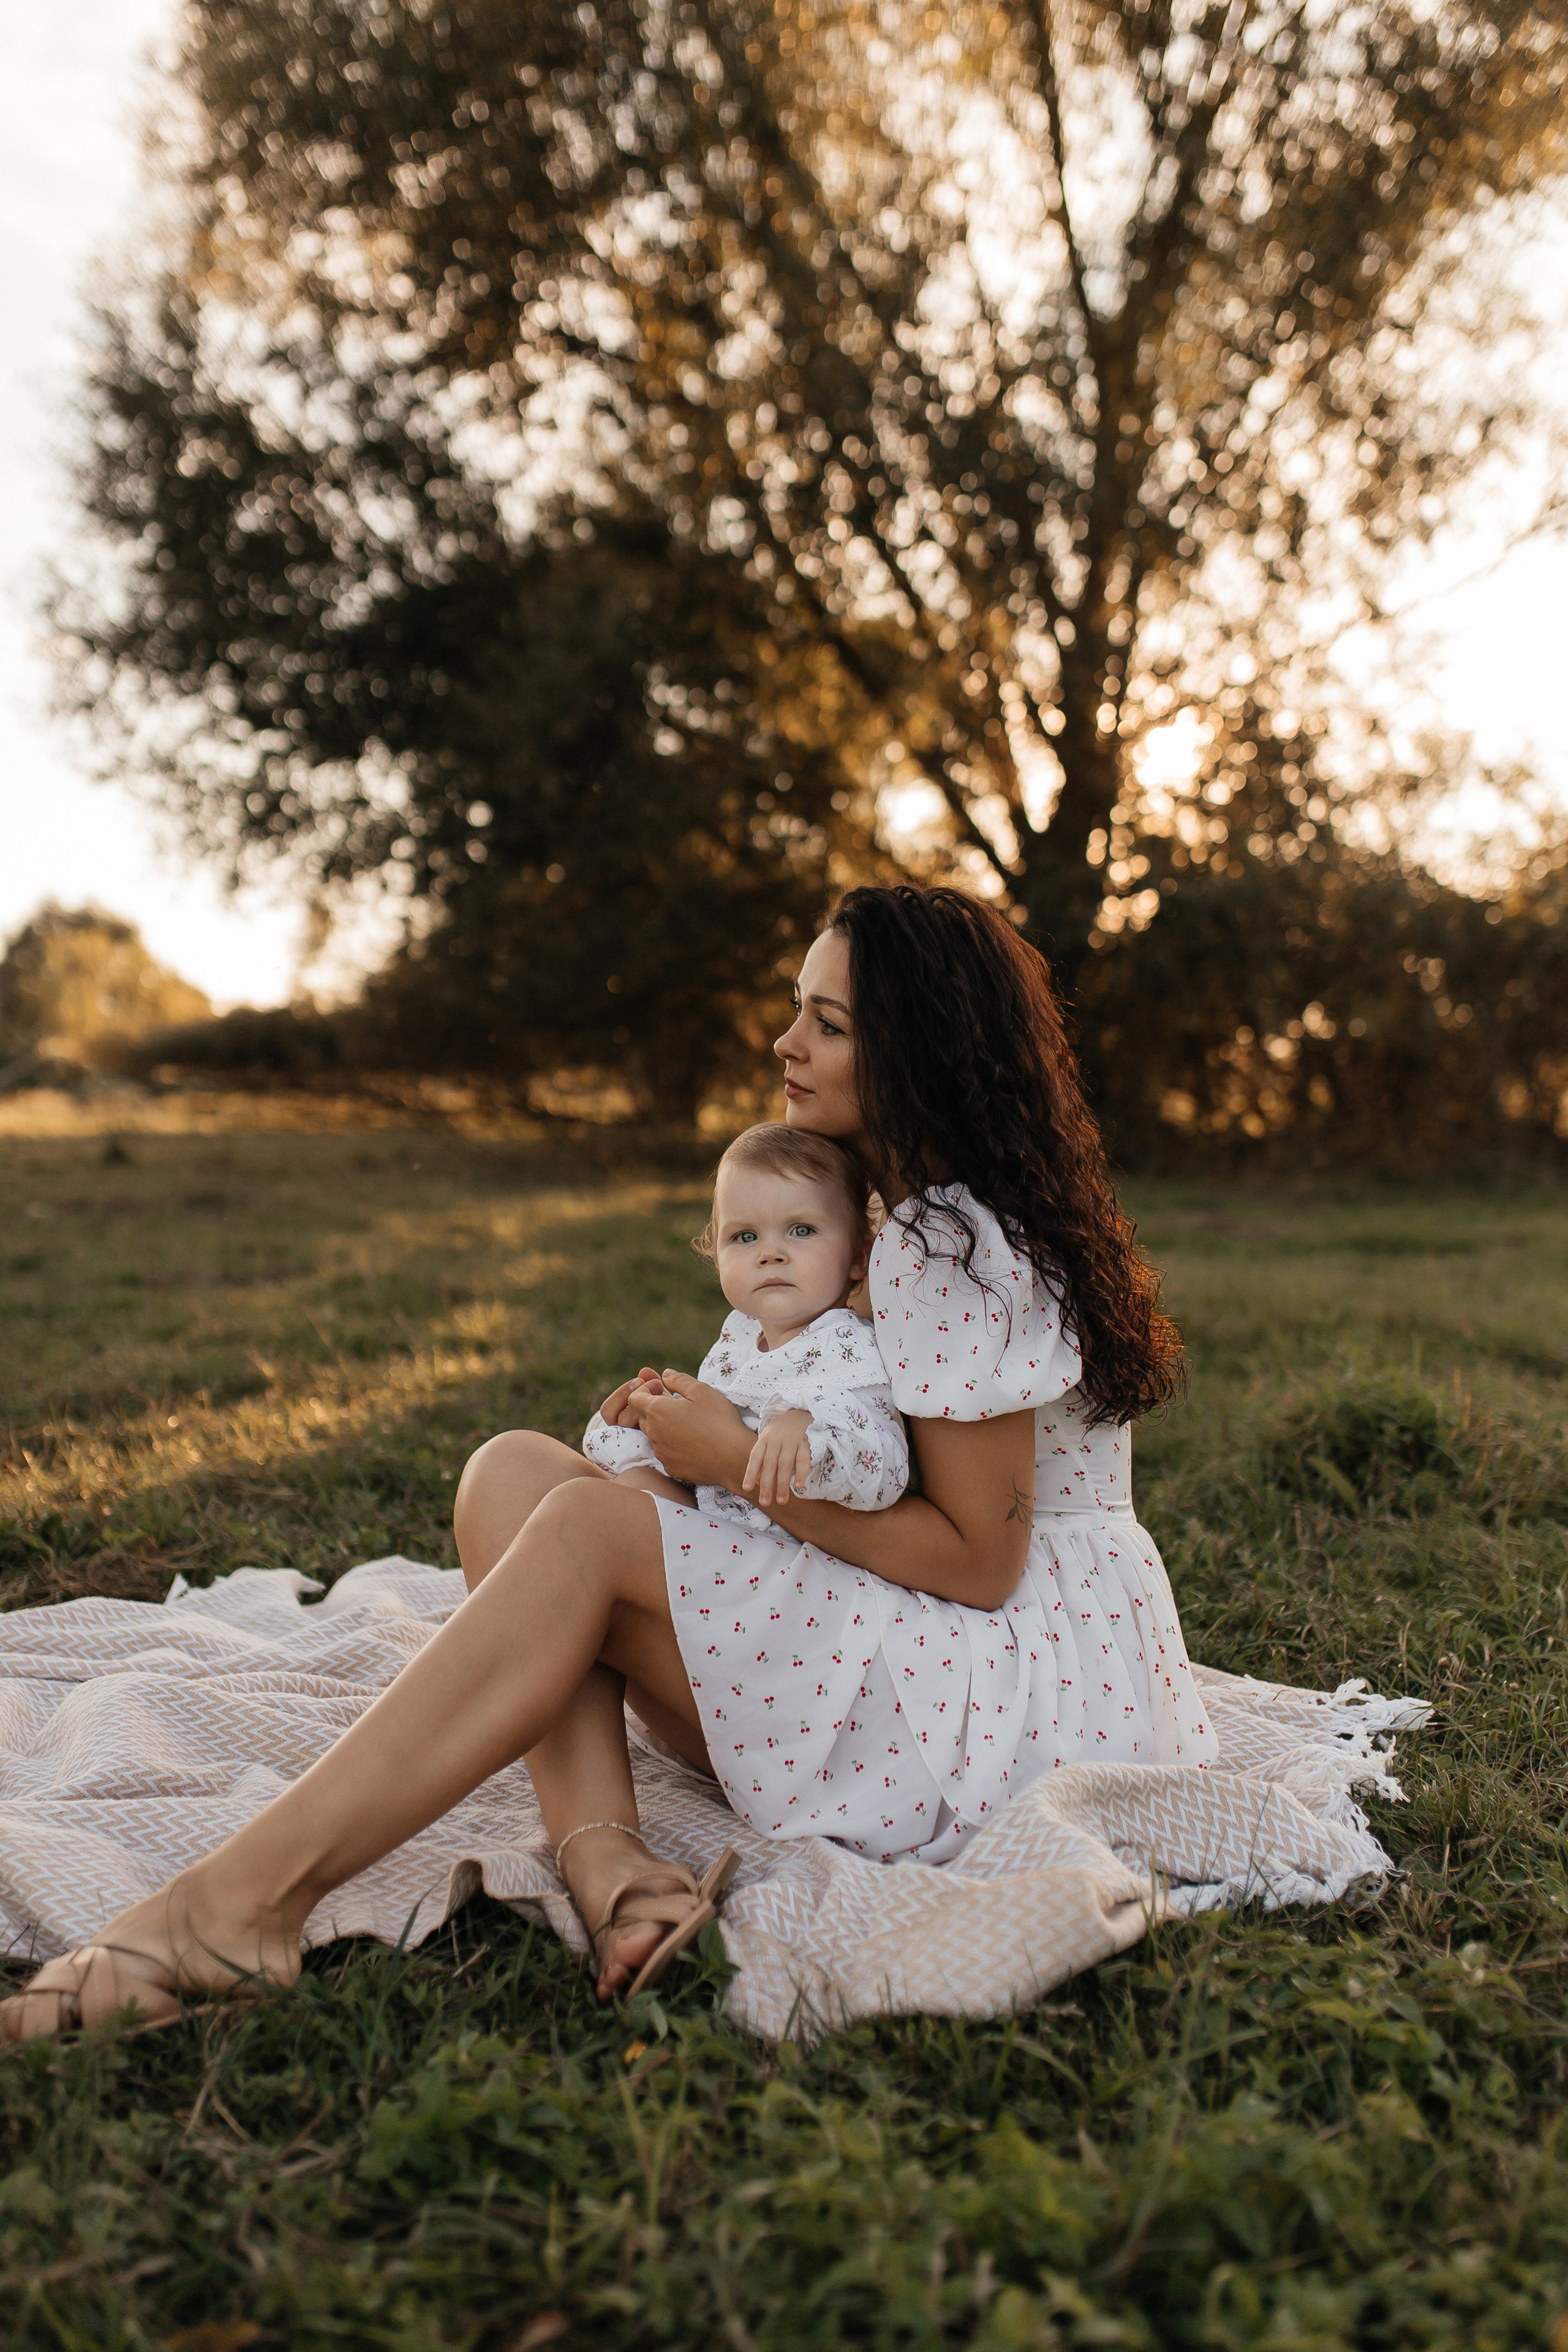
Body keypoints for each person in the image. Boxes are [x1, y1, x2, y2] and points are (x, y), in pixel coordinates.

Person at [0, 883, 1212, 2036]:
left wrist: (732, 1466)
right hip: (911, 1623)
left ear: (913, 1053)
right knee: (512, 1475)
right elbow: (858, 1448)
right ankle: (608, 1857)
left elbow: (977, 1566)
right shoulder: (886, 1211)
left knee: (583, 1534)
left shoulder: (946, 1243)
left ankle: (238, 1905)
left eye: (825, 1023)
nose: (783, 1041)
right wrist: (689, 1444)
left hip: (1006, 1697)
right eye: (795, 1007)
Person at [582, 1120, 908, 1528]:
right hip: (722, 1524)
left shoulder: (849, 1347)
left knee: (603, 1511)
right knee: (602, 1485)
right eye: (745, 1237)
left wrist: (812, 1428)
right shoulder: (738, 1335)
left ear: (859, 1257)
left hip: (792, 1558)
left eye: (801, 1230)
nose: (770, 1253)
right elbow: (704, 1458)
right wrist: (648, 1426)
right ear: (717, 1257)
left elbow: (887, 1475)